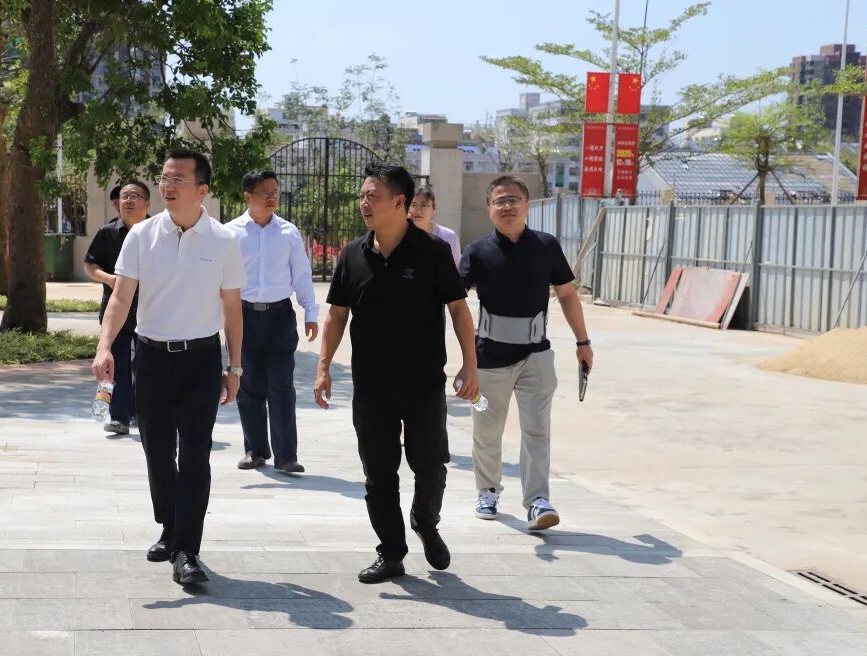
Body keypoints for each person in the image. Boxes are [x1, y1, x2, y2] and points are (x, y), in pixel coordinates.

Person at [314, 163, 479, 584]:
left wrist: (470, 363)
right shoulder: (353, 255)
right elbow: (337, 315)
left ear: (399, 202)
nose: (364, 203)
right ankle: (390, 553)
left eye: (373, 196)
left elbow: (459, 310)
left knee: (431, 466)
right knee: (379, 474)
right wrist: (323, 367)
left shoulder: (433, 252)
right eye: (362, 196)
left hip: (424, 384)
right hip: (371, 386)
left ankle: (425, 520)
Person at [92, 149, 245, 585]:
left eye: (179, 178)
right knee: (157, 451)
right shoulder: (141, 235)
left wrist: (235, 368)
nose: (168, 186)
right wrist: (105, 347)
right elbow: (121, 297)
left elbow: (232, 308)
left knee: (195, 454)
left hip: (201, 360)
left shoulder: (224, 241)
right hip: (151, 357)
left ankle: (187, 551)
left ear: (202, 190)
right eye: (164, 178)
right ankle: (170, 525)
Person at [459, 176, 594, 531]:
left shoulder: (547, 246)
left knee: (537, 429)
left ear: (527, 206)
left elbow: (567, 294)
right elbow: (455, 301)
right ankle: (487, 491)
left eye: (514, 199)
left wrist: (583, 342)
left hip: (536, 357)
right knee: (486, 429)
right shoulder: (476, 251)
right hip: (487, 362)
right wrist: (466, 359)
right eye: (500, 201)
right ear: (489, 209)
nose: (507, 206)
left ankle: (537, 501)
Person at [225, 169, 319, 474]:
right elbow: (219, 279)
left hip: (280, 317)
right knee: (249, 386)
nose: (271, 198)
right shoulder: (230, 233)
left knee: (281, 385)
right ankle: (255, 450)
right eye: (264, 193)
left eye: (275, 192)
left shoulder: (288, 233)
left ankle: (286, 456)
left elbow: (301, 275)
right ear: (247, 196)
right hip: (243, 317)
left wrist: (311, 312)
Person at [83, 180, 151, 435]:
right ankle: (119, 416)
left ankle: (143, 414)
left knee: (146, 367)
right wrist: (109, 279)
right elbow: (90, 265)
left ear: (147, 203)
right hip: (116, 310)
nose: (129, 201)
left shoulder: (159, 232)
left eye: (135, 196)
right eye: (125, 196)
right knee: (117, 364)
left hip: (151, 311)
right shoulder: (107, 232)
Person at [408, 186, 461, 266]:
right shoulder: (398, 236)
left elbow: (456, 266)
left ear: (433, 208)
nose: (418, 210)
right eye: (413, 205)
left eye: (424, 205)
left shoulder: (449, 236)